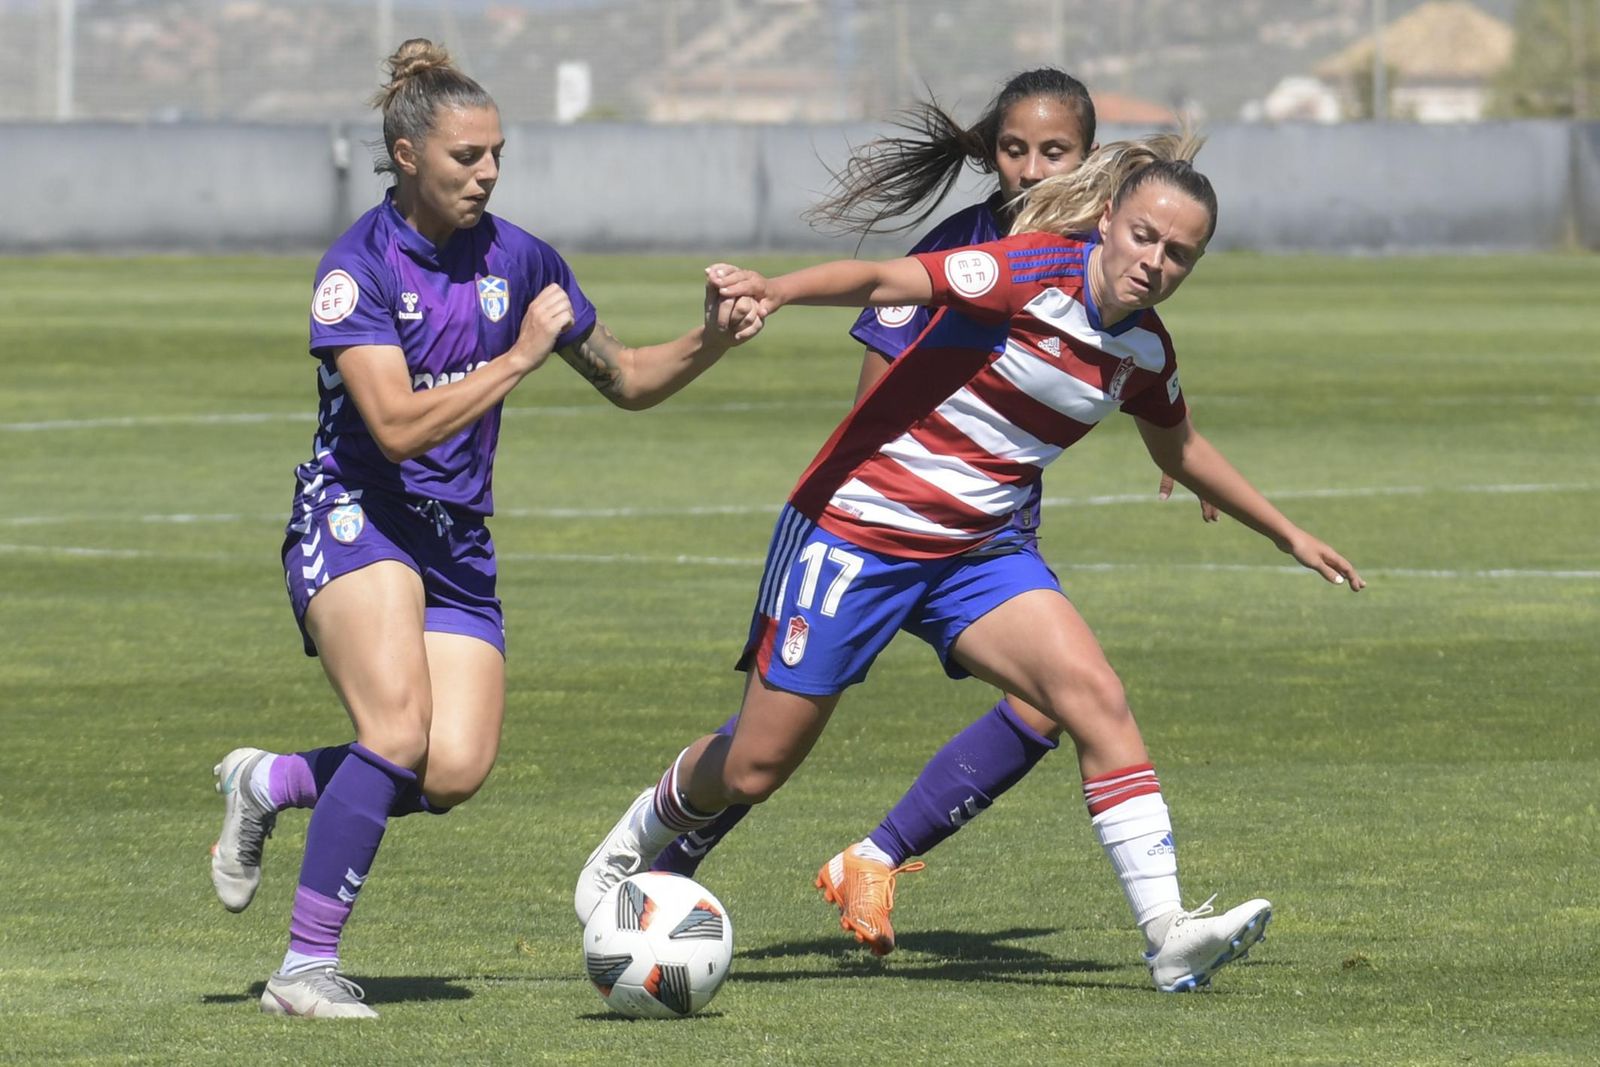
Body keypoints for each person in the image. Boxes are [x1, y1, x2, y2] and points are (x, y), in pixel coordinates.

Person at [577, 131, 1365, 993]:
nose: (1156, 262)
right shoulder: (1029, 271)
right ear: (1108, 220)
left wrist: (1285, 531)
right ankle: (632, 843)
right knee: (757, 765)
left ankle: (1168, 931)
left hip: (975, 555)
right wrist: (775, 287)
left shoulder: (1145, 349)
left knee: (1090, 696)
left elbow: (1179, 448)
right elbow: (886, 281)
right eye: (1145, 236)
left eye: (1181, 254)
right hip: (856, 532)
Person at [207, 38, 758, 1019]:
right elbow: (395, 424)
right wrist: (520, 359)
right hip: (356, 511)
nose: (488, 172)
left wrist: (711, 335)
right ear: (406, 153)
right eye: (467, 157)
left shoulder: (521, 256)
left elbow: (626, 378)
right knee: (395, 731)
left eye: (497, 152)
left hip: (454, 537)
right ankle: (302, 968)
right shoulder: (357, 269)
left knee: (451, 767)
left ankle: (273, 779)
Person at [650, 69, 1217, 960]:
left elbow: (1120, 381)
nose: (1031, 168)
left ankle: (872, 858)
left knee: (1053, 704)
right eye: (1014, 149)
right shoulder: (975, 246)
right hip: (884, 518)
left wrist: (1173, 457)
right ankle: (675, 854)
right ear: (992, 153)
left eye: (1054, 152)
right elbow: (882, 387)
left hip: (990, 533)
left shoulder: (1110, 256)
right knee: (776, 733)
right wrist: (877, 496)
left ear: (1092, 163)